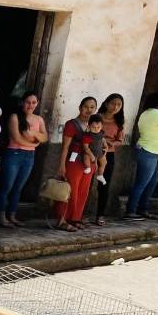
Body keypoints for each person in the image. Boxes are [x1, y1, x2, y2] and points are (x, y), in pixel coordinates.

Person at [0, 91, 47, 227]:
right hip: (14, 153)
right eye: (28, 102)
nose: (31, 105)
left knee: (18, 188)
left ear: (37, 103)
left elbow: (45, 138)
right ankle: (1, 215)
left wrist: (33, 133)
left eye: (34, 102)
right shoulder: (15, 117)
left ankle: (12, 215)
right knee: (7, 185)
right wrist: (35, 142)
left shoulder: (39, 119)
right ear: (22, 102)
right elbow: (17, 138)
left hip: (29, 156)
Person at [125, 88, 158, 220]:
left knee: (152, 182)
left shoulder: (148, 112)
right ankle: (130, 211)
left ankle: (143, 209)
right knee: (142, 182)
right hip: (149, 151)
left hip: (152, 151)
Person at [53, 97, 98, 231]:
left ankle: (75, 218)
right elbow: (65, 147)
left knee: (82, 192)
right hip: (73, 162)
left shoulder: (95, 125)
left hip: (89, 163)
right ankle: (61, 220)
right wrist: (62, 165)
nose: (88, 110)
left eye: (92, 107)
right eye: (86, 107)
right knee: (68, 191)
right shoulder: (72, 124)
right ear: (80, 107)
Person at [93, 93, 125, 225]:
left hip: (108, 155)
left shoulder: (119, 122)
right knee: (86, 184)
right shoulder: (96, 117)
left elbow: (120, 141)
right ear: (106, 103)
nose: (115, 107)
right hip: (92, 153)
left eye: (119, 105)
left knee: (104, 185)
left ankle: (100, 215)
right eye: (113, 103)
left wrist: (112, 143)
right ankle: (78, 213)